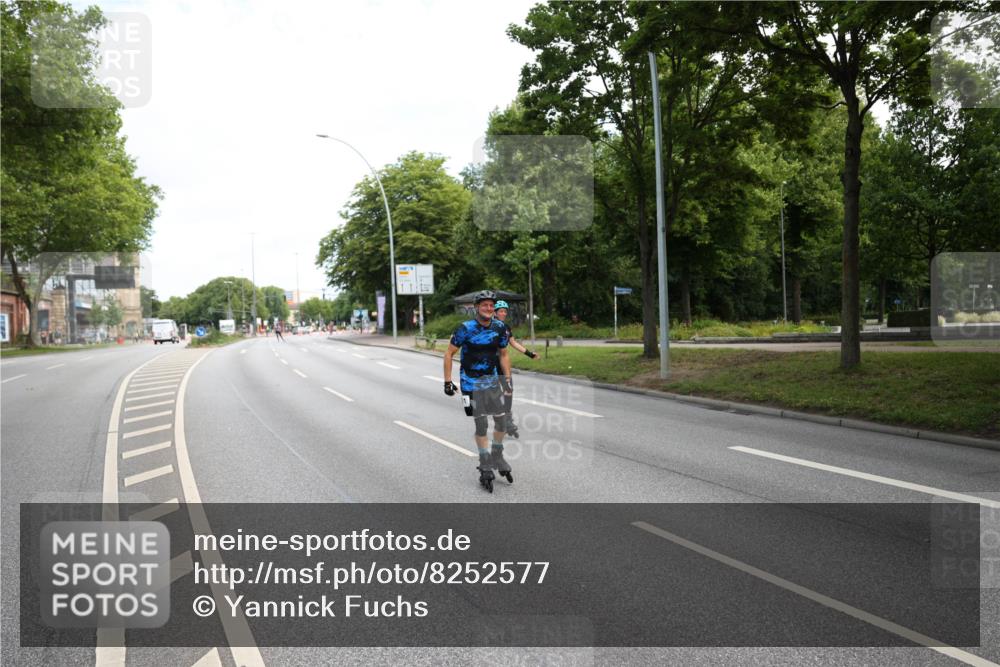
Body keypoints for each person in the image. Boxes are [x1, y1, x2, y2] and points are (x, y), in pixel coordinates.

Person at [443, 290, 513, 492]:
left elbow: (504, 354)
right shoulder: (465, 328)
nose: (489, 308)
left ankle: (497, 455)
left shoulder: (500, 328)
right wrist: (448, 382)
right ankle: (484, 463)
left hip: (492, 382)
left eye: (492, 305)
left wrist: (506, 379)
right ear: (476, 307)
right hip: (469, 383)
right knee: (481, 423)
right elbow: (449, 354)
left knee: (502, 421)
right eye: (485, 305)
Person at [493, 300, 538, 439]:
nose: (503, 313)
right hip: (491, 365)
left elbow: (513, 343)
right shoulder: (489, 326)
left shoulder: (506, 327)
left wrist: (530, 354)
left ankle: (508, 421)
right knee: (495, 395)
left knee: (508, 391)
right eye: (501, 311)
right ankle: (502, 421)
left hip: (504, 365)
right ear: (494, 312)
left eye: (505, 311)